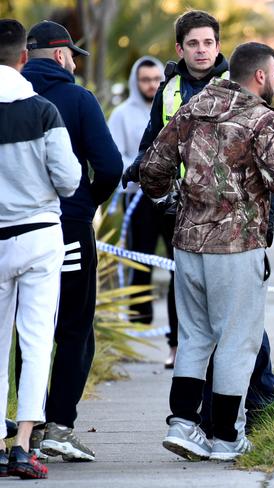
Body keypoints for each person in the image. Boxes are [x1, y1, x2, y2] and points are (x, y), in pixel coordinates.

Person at [139, 41, 274, 460]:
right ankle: (226, 435)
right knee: (237, 340)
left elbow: (152, 167)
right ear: (260, 75)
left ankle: (184, 425)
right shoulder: (262, 119)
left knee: (194, 337)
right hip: (237, 246)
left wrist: (169, 202)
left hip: (187, 242)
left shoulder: (191, 107)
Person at [121, 9, 274, 435]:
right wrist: (143, 174)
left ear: (218, 45)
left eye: (208, 42)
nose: (201, 50)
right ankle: (210, 425)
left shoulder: (243, 81)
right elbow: (153, 142)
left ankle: (259, 400)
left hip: (239, 225)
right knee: (202, 328)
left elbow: (271, 154)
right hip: (188, 217)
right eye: (193, 43)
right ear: (180, 49)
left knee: (241, 328)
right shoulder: (170, 89)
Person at [22, 20, 123, 461]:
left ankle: (25, 425)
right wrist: (87, 205)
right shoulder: (78, 99)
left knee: (25, 329)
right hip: (67, 229)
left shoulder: (11, 97)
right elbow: (110, 166)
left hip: (14, 231)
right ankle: (58, 425)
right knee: (75, 328)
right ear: (63, 56)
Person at [0, 18, 80, 479]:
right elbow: (69, 180)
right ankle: (23, 446)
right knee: (34, 342)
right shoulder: (44, 110)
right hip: (37, 236)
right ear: (24, 59)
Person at [107, 56, 179, 368]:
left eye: (155, 79)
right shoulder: (122, 115)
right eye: (145, 80)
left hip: (173, 200)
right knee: (140, 262)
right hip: (138, 200)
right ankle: (134, 336)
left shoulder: (171, 107)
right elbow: (114, 155)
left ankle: (176, 343)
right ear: (136, 81)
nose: (151, 85)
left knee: (179, 267)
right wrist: (142, 171)